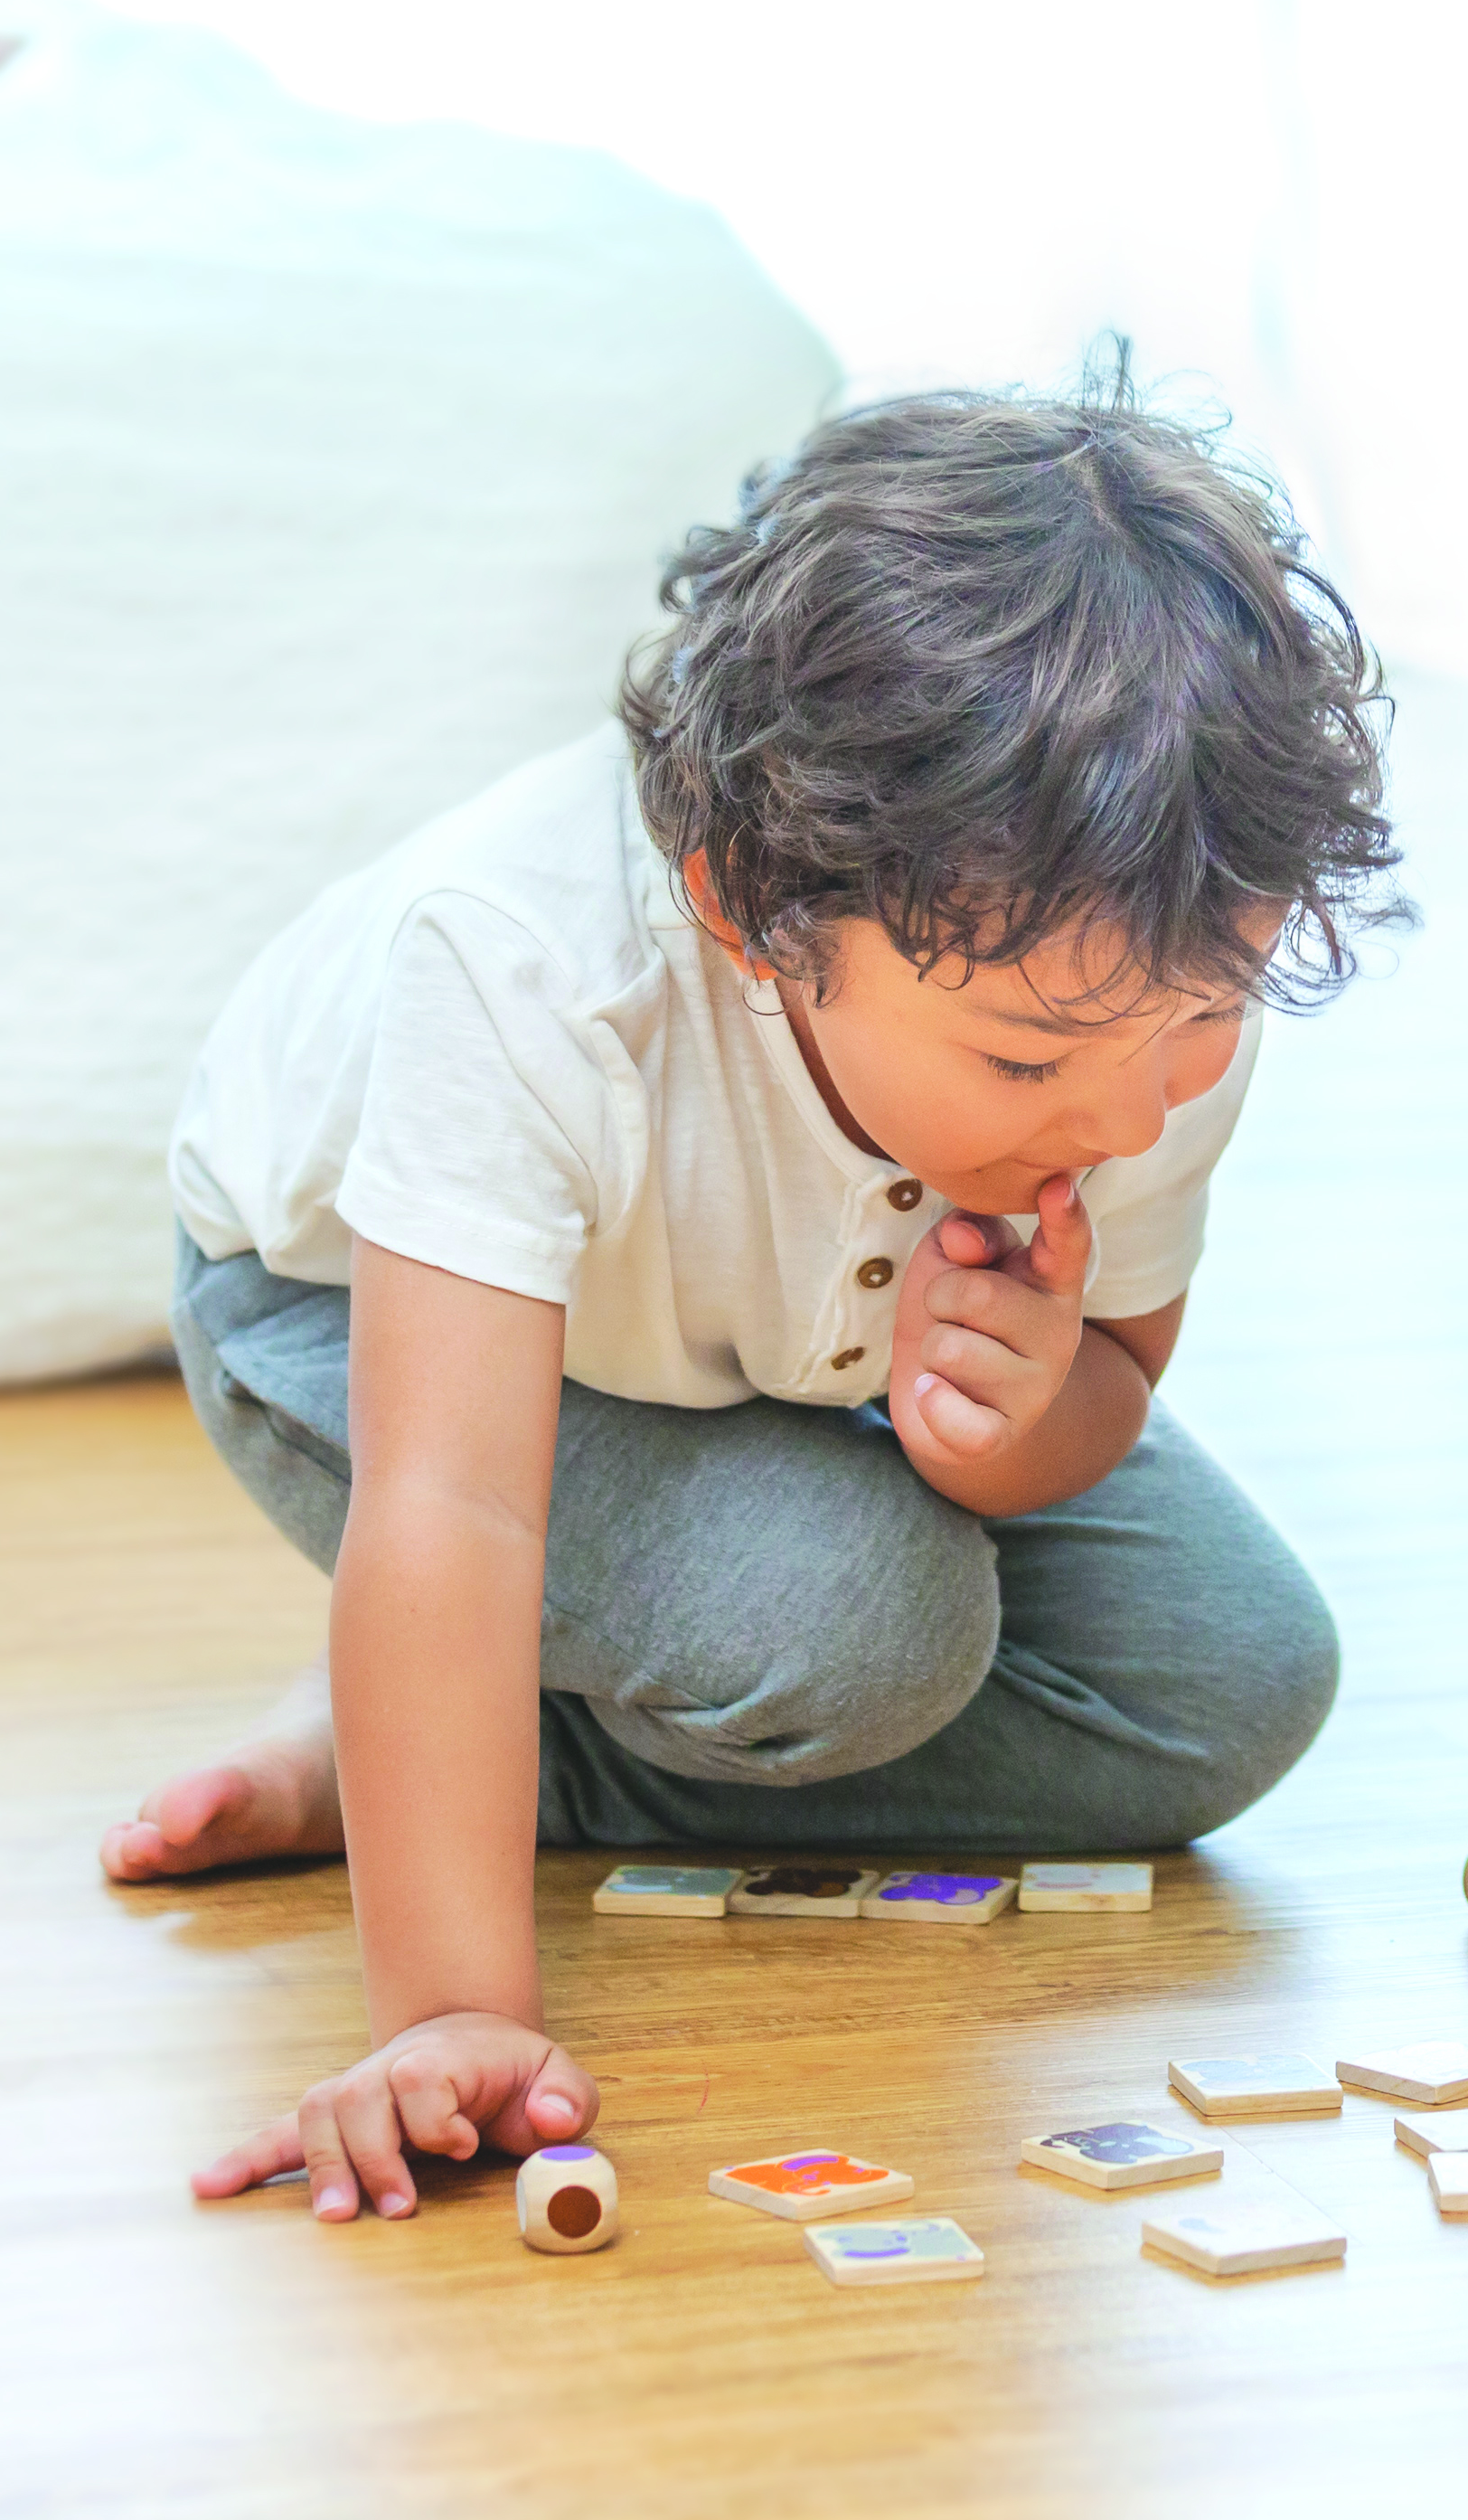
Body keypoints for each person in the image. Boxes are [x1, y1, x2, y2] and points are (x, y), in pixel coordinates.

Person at [114, 369, 1401, 2221]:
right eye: (1037, 1065)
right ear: (748, 909)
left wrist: (1020, 1417)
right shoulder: (527, 963)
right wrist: (451, 2012)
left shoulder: (1140, 950)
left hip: (750, 1363)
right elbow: (453, 1502)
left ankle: (479, 1744)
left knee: (1236, 1681)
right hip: (338, 1330)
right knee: (863, 1618)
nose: (1128, 1116)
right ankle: (407, 1740)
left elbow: (1108, 1374)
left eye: (1210, 1020)